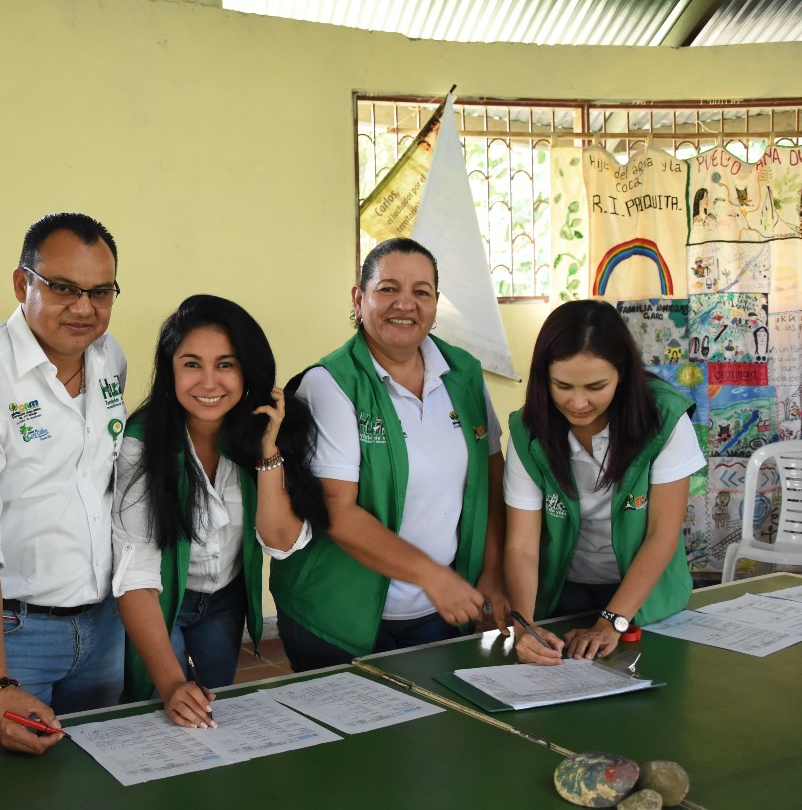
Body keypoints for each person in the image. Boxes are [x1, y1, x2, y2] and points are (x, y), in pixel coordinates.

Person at [0, 212, 126, 754]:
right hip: (13, 633)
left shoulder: (110, 358)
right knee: (8, 781)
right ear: (22, 284)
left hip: (103, 623)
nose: (83, 308)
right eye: (63, 288)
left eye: (100, 292)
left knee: (100, 771)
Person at [273, 237, 510, 671]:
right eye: (388, 289)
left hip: (435, 610)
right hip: (338, 613)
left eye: (421, 291)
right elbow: (338, 512)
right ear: (358, 298)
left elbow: (492, 480)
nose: (405, 304)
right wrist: (434, 577)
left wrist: (492, 572)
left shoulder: (463, 373)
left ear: (435, 303)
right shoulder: (330, 383)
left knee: (437, 713)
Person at [112, 295, 327, 728]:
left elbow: (280, 542)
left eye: (225, 364)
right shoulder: (140, 444)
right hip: (160, 599)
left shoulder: (261, 432)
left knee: (215, 715)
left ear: (247, 370)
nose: (209, 382)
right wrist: (172, 685)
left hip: (225, 602)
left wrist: (268, 453)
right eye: (192, 364)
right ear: (170, 369)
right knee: (167, 709)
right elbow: (135, 576)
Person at [504, 299, 703, 665]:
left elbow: (662, 533)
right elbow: (522, 546)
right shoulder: (528, 430)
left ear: (622, 373)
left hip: (644, 593)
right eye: (562, 385)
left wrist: (612, 621)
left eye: (596, 386)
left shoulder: (664, 418)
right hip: (562, 591)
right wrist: (525, 626)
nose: (578, 402)